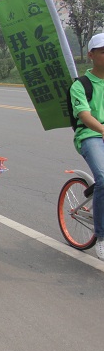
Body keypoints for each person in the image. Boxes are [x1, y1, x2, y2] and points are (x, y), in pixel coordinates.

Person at [70, 32, 104, 260]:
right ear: (91, 55)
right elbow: (84, 114)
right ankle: (101, 237)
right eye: (103, 52)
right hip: (91, 135)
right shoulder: (80, 85)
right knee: (103, 178)